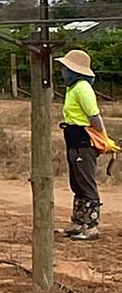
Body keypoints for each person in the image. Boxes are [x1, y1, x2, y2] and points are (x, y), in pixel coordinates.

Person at [59, 48, 112, 241]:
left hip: (83, 139)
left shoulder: (82, 88)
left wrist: (103, 138)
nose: (63, 71)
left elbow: (94, 116)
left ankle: (91, 226)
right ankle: (78, 222)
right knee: (77, 182)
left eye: (65, 68)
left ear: (75, 71)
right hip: (73, 137)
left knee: (86, 182)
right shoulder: (72, 88)